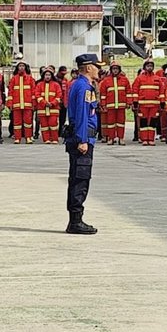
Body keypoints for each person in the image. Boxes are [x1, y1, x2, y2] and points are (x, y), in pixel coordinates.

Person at [64, 53, 101, 236]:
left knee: (79, 178)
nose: (99, 69)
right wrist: (82, 139)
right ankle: (76, 221)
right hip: (83, 139)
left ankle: (75, 219)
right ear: (87, 67)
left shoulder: (81, 85)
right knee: (80, 179)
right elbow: (81, 115)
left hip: (84, 137)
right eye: (96, 66)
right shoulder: (83, 86)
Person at [132, 59, 165, 146]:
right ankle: (144, 139)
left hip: (154, 105)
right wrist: (135, 102)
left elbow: (161, 91)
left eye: (151, 66)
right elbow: (135, 90)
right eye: (148, 66)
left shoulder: (158, 79)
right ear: (144, 67)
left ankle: (151, 139)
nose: (149, 68)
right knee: (143, 122)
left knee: (152, 122)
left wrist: (162, 102)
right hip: (142, 105)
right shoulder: (139, 79)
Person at [99, 62, 130, 145]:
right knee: (110, 123)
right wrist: (103, 104)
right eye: (113, 69)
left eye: (116, 69)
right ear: (111, 70)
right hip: (110, 105)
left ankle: (121, 138)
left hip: (121, 105)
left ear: (119, 70)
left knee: (121, 123)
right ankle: (111, 138)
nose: (115, 70)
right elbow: (103, 94)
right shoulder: (106, 81)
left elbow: (128, 92)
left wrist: (129, 102)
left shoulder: (125, 80)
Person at [7, 62, 36, 144]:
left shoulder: (30, 79)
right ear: (17, 68)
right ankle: (17, 138)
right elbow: (10, 92)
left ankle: (28, 137)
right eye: (20, 66)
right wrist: (10, 103)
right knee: (17, 123)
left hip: (28, 105)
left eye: (23, 66)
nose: (22, 67)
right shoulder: (13, 79)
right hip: (17, 105)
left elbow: (33, 92)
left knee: (28, 123)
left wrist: (34, 104)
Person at [34, 66, 62, 144]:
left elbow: (59, 96)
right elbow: (37, 95)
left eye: (49, 75)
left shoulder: (56, 85)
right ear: (43, 76)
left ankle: (54, 139)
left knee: (53, 124)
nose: (47, 76)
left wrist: (52, 103)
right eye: (46, 75)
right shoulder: (39, 85)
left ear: (52, 76)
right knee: (44, 125)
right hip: (42, 109)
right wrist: (45, 103)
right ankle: (46, 139)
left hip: (53, 109)